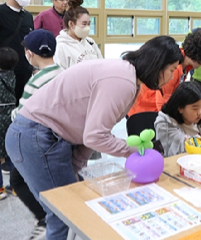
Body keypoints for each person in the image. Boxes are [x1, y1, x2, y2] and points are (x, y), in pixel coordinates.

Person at [5, 36, 183, 240]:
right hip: (36, 135)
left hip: (45, 136)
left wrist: (77, 163)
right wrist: (132, 150)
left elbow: (92, 131)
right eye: (171, 70)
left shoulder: (129, 78)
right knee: (64, 211)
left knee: (76, 202)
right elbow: (95, 136)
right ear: (158, 64)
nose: (171, 77)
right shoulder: (122, 80)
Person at [10, 30, 64, 239]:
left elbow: (20, 114)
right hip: (61, 136)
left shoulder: (35, 82)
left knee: (18, 180)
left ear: (29, 54)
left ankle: (45, 218)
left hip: (38, 139)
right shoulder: (64, 72)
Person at [127, 30, 201, 127]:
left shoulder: (185, 66)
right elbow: (162, 101)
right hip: (144, 110)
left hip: (152, 109)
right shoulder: (174, 67)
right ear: (199, 56)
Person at [0, 0, 38, 101]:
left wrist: (34, 66)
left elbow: (29, 42)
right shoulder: (1, 12)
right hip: (4, 71)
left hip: (24, 69)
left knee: (22, 106)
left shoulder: (27, 16)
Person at [54, 0, 102, 69]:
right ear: (71, 24)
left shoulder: (90, 42)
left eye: (89, 24)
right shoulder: (61, 46)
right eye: (84, 24)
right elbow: (61, 75)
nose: (87, 27)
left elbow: (101, 63)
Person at [0, 47, 18, 201]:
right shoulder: (12, 75)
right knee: (12, 152)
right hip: (10, 116)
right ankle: (15, 186)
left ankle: (0, 190)